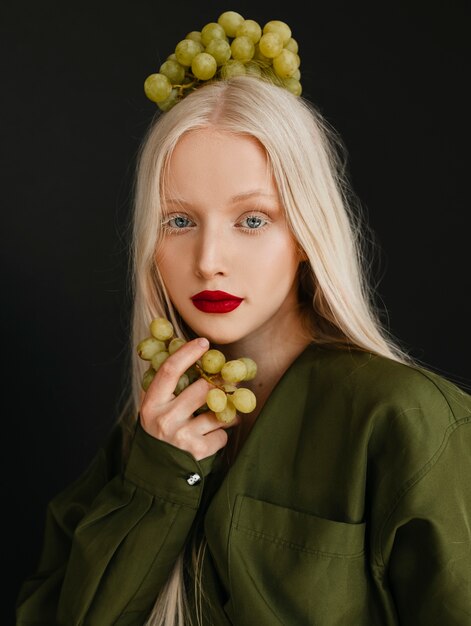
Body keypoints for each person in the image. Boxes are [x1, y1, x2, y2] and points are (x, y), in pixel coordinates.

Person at [16, 12, 471, 626]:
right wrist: (156, 486)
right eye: (179, 221)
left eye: (251, 219)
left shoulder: (408, 421)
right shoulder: (148, 435)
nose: (209, 262)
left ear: (307, 231)